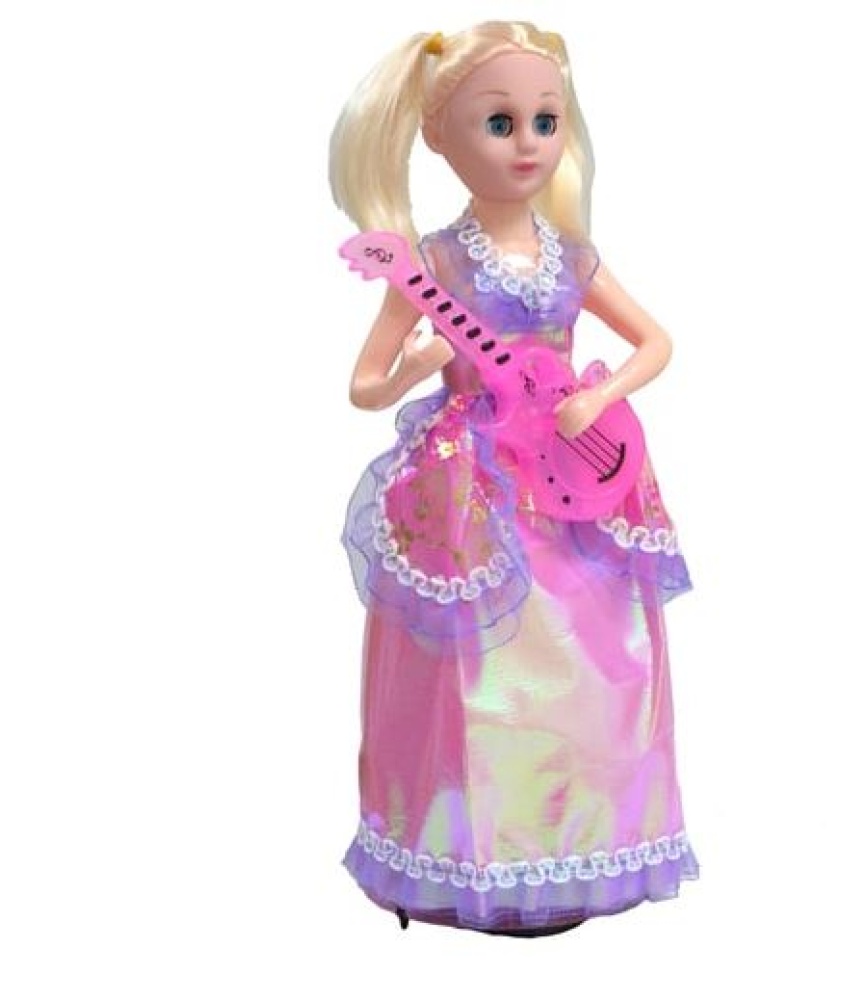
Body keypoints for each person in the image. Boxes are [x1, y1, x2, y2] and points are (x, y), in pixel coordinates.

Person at [329, 21, 698, 935]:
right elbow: (363, 386)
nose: (528, 143)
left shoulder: (573, 257)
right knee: (471, 670)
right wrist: (417, 368)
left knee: (598, 661)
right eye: (499, 123)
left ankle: (579, 842)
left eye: (546, 120)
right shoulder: (434, 264)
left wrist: (598, 393)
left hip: (575, 480)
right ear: (436, 134)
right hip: (470, 492)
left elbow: (655, 341)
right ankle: (465, 856)